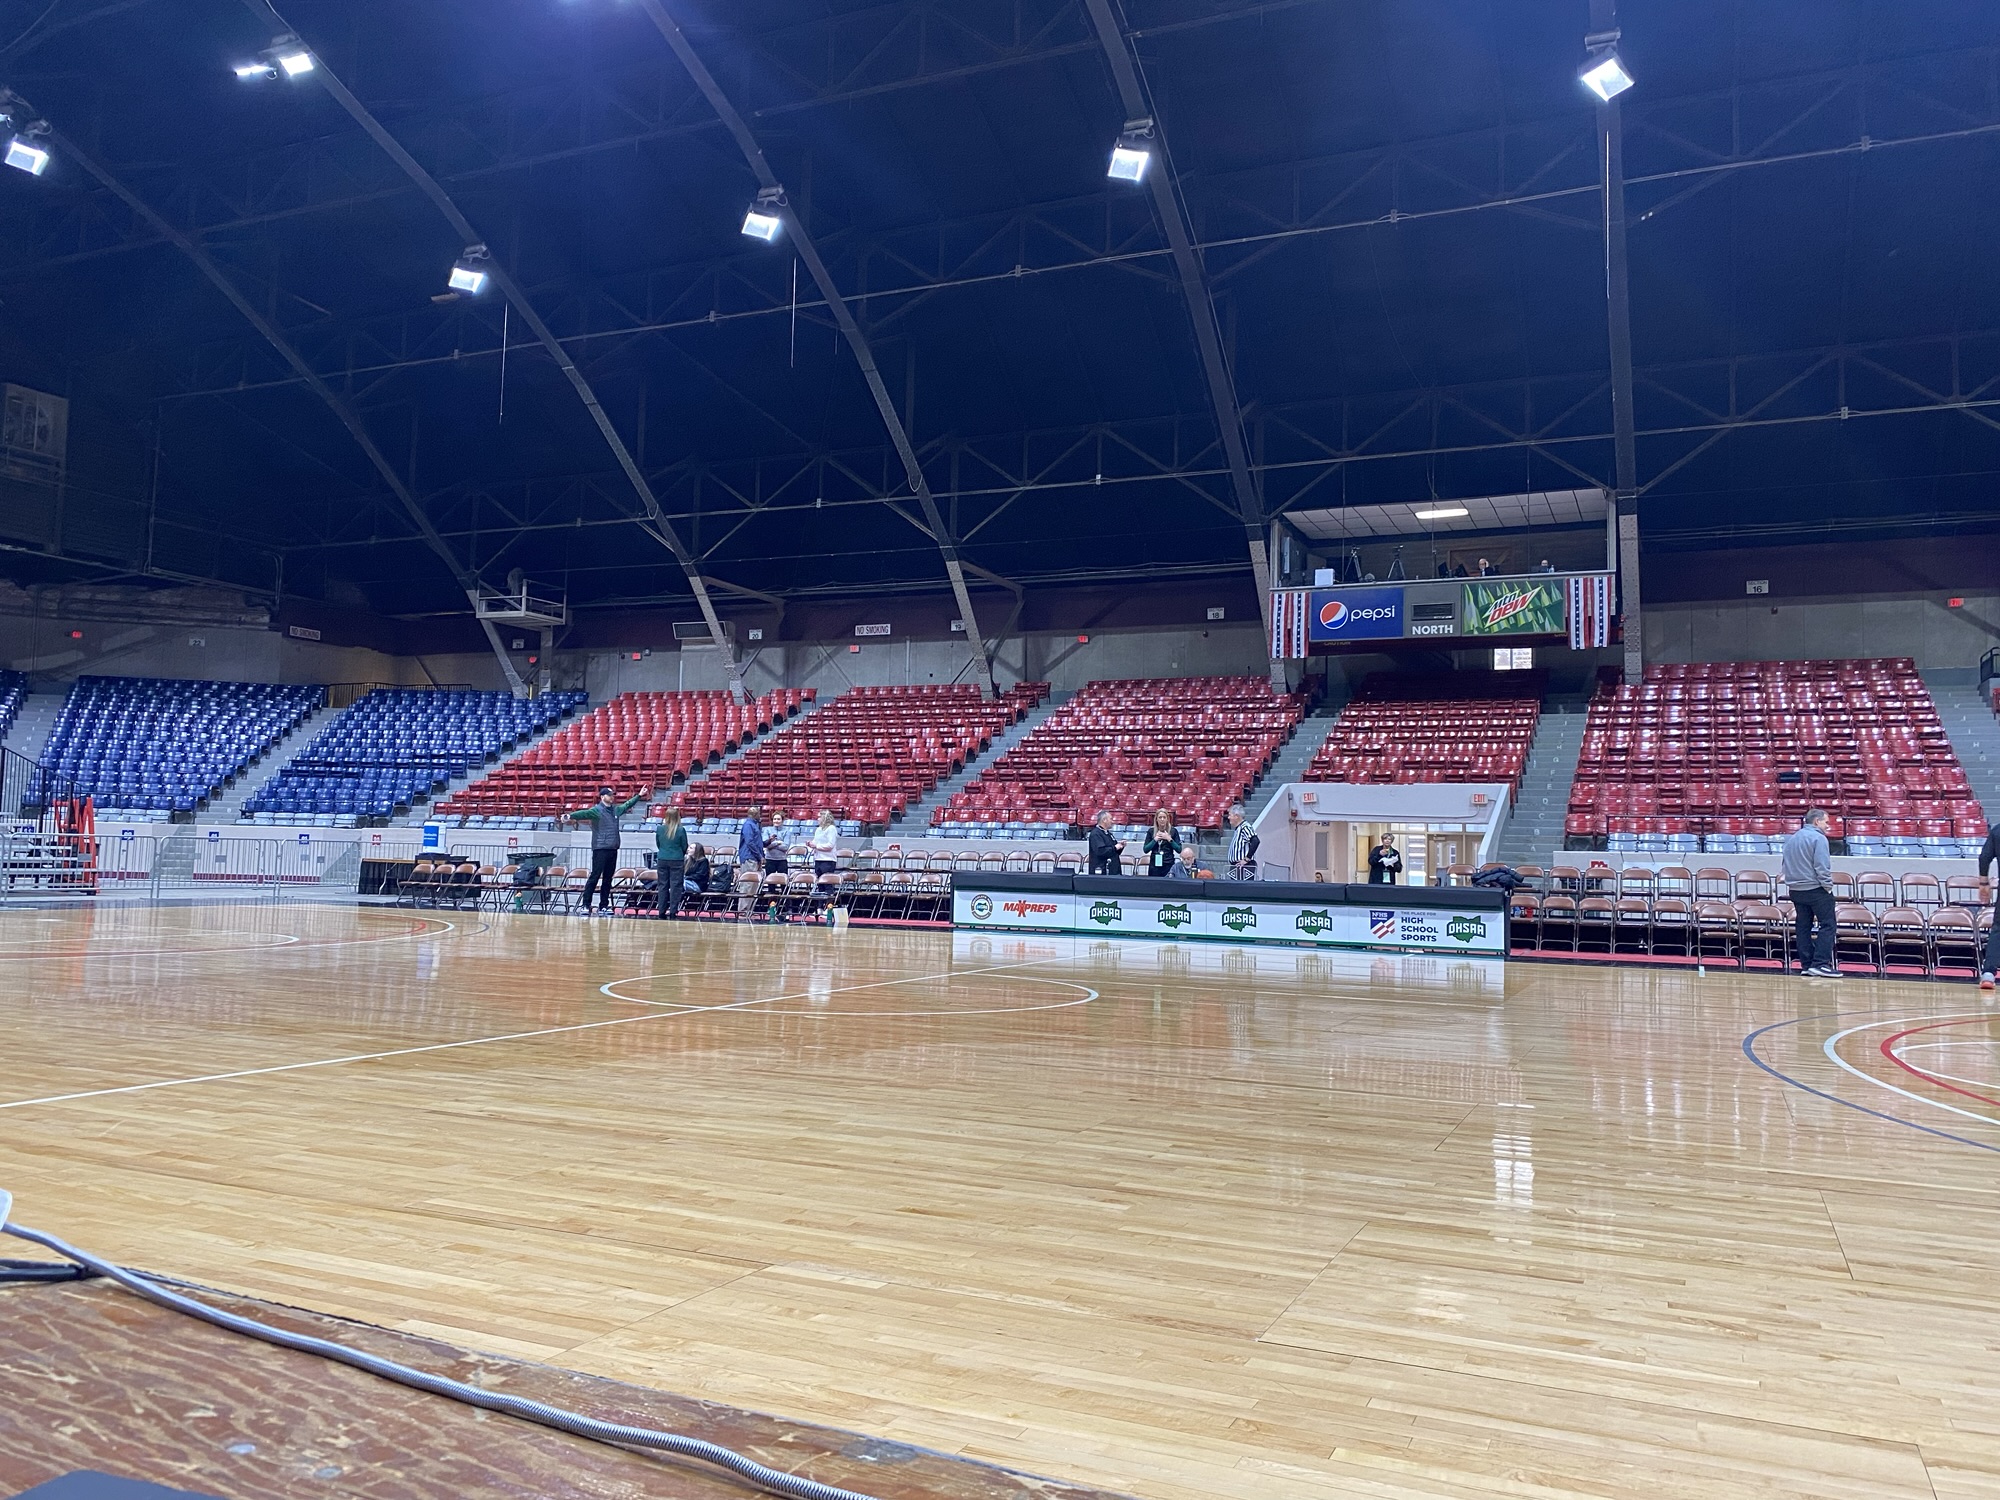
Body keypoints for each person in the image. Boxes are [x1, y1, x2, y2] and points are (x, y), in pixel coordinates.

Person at [568, 785, 647, 915]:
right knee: (595, 876)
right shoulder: (596, 810)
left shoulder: (615, 810)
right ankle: (586, 904)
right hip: (600, 848)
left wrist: (639, 795)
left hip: (613, 848)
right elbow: (583, 813)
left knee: (608, 879)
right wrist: (570, 816)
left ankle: (604, 905)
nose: (612, 797)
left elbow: (627, 805)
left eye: (612, 795)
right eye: (609, 795)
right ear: (602, 797)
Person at [1782, 808, 1839, 976]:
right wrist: (1827, 886)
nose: (1828, 826)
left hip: (1796, 890)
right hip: (1815, 889)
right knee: (1828, 925)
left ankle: (1807, 965)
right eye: (1826, 822)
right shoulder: (1819, 838)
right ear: (1816, 821)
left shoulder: (1792, 838)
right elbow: (1822, 866)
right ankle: (1820, 964)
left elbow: (1785, 864)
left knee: (1803, 927)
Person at [1978, 821, 2000, 989]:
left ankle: (1988, 974)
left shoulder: (1998, 830)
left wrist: (1984, 882)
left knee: (1998, 929)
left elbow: (1984, 857)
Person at [1225, 805, 1259, 881]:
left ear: (1236, 816)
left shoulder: (1245, 827)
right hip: (1237, 866)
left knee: (1243, 887)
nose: (1228, 817)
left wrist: (1246, 859)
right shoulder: (1238, 828)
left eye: (1230, 815)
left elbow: (1255, 841)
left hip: (1244, 867)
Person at [1143, 809, 1181, 877]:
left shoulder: (1173, 831)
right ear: (1156, 819)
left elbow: (1179, 849)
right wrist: (1155, 840)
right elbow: (1145, 850)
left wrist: (1169, 839)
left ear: (1167, 819)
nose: (1162, 819)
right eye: (1160, 817)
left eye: (1164, 817)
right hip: (1154, 865)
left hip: (1168, 864)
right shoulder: (1151, 831)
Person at [1087, 811, 1125, 875]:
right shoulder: (1096, 834)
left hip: (1113, 870)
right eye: (1111, 819)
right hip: (1102, 871)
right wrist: (1115, 847)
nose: (1112, 822)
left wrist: (1120, 846)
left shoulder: (1108, 833)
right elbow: (1100, 851)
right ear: (1104, 820)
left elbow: (1114, 852)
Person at [809, 810, 840, 878]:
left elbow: (830, 845)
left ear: (825, 818)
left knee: (826, 881)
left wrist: (816, 846)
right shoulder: (818, 829)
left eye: (819, 817)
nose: (818, 819)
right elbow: (815, 841)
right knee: (819, 881)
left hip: (828, 860)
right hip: (818, 859)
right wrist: (810, 844)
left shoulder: (831, 828)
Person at [737, 804, 765, 872]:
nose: (760, 816)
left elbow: (757, 842)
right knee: (749, 878)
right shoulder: (748, 825)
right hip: (749, 857)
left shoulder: (755, 825)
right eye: (759, 814)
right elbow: (749, 842)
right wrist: (759, 856)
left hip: (755, 858)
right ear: (755, 815)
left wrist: (768, 841)